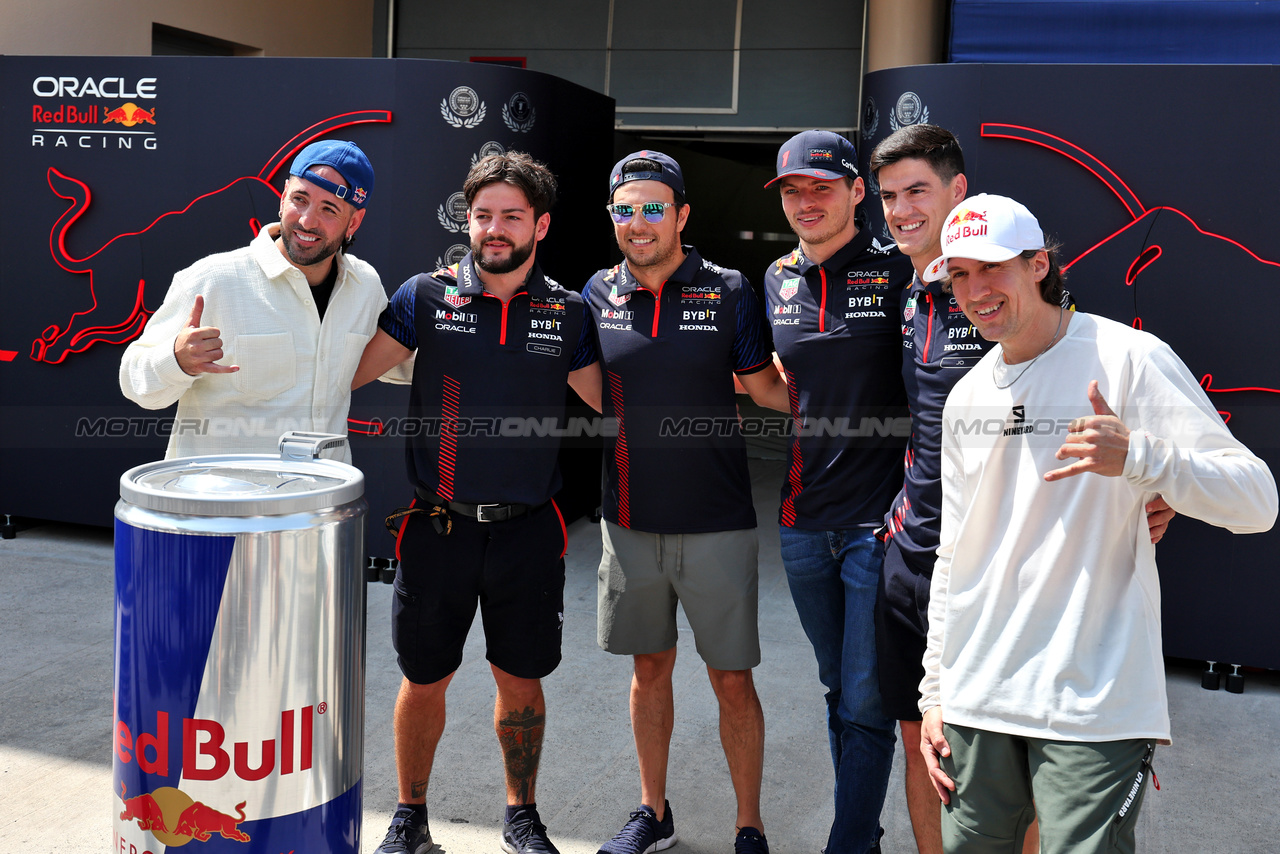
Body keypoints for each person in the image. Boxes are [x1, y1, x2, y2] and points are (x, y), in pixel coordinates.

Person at [919, 193, 1277, 853]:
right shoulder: (967, 394)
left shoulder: (1128, 358)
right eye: (959, 275)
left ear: (1039, 264)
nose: (974, 290)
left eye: (992, 267)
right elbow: (955, 556)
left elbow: (1257, 501)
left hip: (1089, 701)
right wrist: (935, 691)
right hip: (977, 698)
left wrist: (1139, 457)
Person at [868, 124, 1175, 854]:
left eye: (919, 191)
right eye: (889, 196)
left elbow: (1097, 422)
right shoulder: (906, 299)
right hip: (926, 563)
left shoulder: (1062, 327)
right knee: (927, 750)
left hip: (1036, 602)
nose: (904, 208)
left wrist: (1150, 479)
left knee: (1035, 780)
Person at [351, 152, 600, 854]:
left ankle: (521, 816)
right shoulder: (423, 296)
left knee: (521, 683)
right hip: (438, 528)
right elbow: (342, 370)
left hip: (528, 533)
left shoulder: (569, 311)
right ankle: (409, 817)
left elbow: (612, 400)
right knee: (424, 678)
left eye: (511, 216)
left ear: (541, 225)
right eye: (482, 214)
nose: (492, 229)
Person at [582, 151, 787, 854]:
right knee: (650, 669)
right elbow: (590, 387)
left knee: (733, 678)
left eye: (652, 208)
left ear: (682, 215)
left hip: (718, 523)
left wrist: (854, 408)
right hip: (630, 520)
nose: (639, 224)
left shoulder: (729, 289)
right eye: (625, 210)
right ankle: (653, 811)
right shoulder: (595, 291)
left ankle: (749, 822)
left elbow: (764, 385)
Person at [760, 130, 913, 854]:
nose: (806, 201)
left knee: (865, 699)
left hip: (876, 523)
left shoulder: (901, 270)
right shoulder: (776, 277)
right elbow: (776, 380)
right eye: (793, 190)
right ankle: (863, 834)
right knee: (838, 691)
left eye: (822, 187)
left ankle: (849, 843)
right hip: (800, 521)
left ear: (858, 192)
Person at [119, 139, 387, 461]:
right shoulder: (215, 279)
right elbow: (135, 384)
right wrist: (176, 360)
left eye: (328, 209)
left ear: (353, 223)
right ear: (283, 196)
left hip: (322, 501)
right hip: (224, 507)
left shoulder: (365, 287)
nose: (306, 221)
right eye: (299, 200)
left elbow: (395, 360)